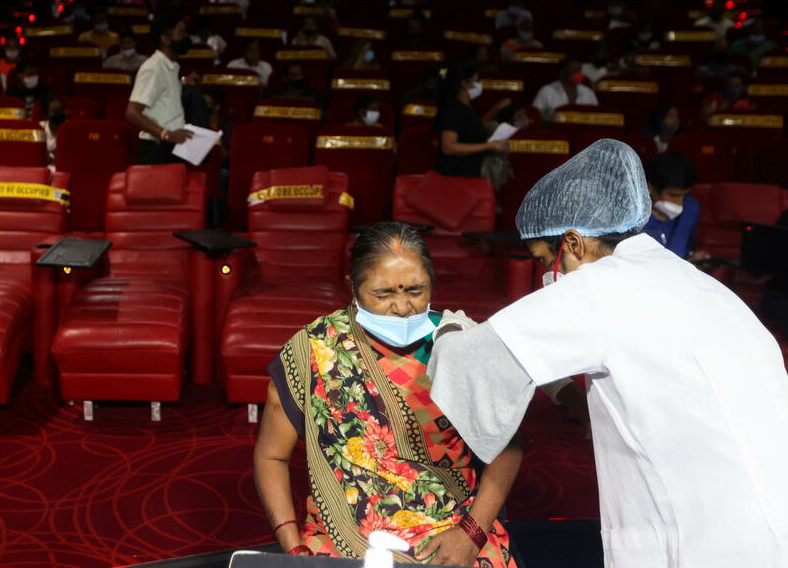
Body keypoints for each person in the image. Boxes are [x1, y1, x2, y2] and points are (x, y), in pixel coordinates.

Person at [427, 138, 788, 567]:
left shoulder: (599, 287)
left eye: (546, 259)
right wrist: (569, 396)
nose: (547, 274)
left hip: (701, 537)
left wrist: (448, 326)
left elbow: (468, 362)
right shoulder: (688, 280)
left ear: (575, 242)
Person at [255, 221, 521, 565]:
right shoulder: (313, 352)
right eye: (383, 294)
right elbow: (271, 457)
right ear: (352, 287)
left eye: (416, 290)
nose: (402, 306)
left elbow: (507, 448)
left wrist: (471, 533)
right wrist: (295, 551)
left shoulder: (460, 344)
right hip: (342, 536)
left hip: (453, 531)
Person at [125, 12, 195, 164]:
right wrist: (166, 134)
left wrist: (183, 82)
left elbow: (163, 94)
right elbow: (132, 112)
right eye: (181, 32)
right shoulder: (154, 67)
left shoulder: (170, 66)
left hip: (170, 147)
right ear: (165, 39)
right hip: (156, 149)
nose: (186, 36)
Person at [435, 61, 509, 177]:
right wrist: (488, 146)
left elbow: (471, 131)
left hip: (469, 171)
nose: (479, 84)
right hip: (455, 175)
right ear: (464, 83)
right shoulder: (454, 109)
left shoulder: (466, 107)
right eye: (476, 80)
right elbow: (448, 147)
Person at [643, 151, 706, 260]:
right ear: (650, 188)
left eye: (684, 195)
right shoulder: (635, 218)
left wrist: (692, 259)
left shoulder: (690, 208)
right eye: (673, 195)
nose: (680, 202)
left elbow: (681, 254)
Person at [532, 56, 599, 122]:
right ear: (563, 73)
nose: (579, 74)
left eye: (579, 70)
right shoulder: (547, 91)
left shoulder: (588, 93)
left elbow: (596, 117)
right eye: (574, 71)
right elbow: (534, 116)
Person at [39, 96, 67, 168]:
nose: (58, 114)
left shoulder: (72, 130)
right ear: (45, 115)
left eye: (60, 110)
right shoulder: (39, 128)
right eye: (54, 111)